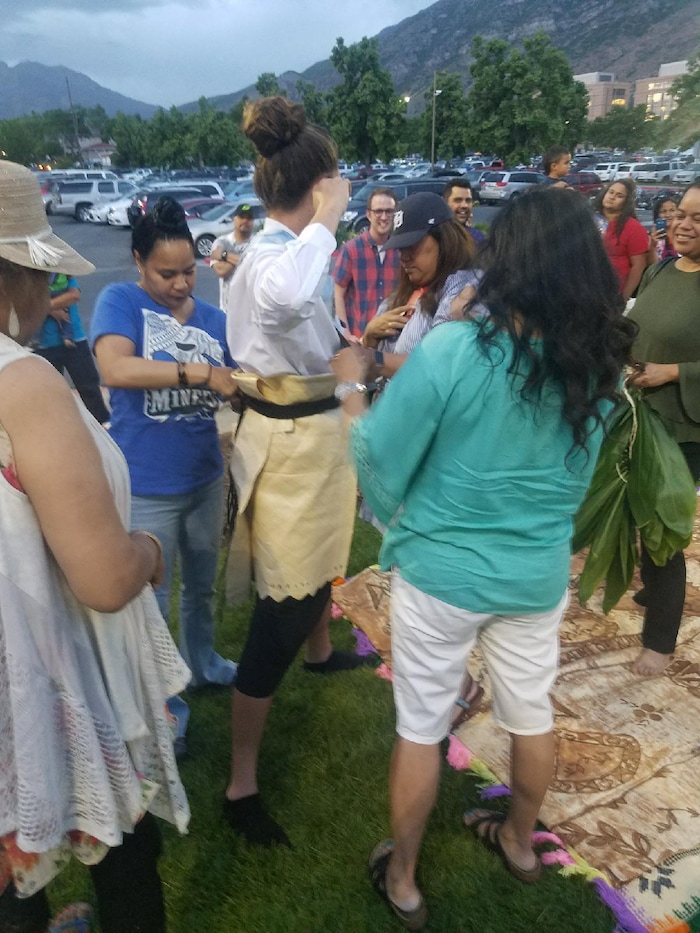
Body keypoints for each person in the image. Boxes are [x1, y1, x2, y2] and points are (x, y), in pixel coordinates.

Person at [332, 187, 635, 928]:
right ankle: (522, 845)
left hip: (442, 576)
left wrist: (349, 388)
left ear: (508, 260)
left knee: (421, 725)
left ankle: (403, 877)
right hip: (534, 575)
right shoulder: (600, 365)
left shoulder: (457, 350)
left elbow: (379, 450)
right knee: (531, 715)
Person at [0, 162, 190, 932]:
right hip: (44, 672)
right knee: (121, 846)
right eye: (40, 275)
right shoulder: (23, 385)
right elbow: (104, 578)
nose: (47, 297)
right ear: (14, 277)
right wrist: (147, 548)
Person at [223, 96, 366, 848]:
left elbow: (312, 326)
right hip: (288, 449)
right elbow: (285, 298)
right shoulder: (275, 257)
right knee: (279, 609)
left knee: (317, 570)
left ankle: (320, 652)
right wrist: (327, 220)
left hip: (312, 439)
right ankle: (240, 780)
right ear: (316, 187)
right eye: (334, 182)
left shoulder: (288, 249)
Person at [91, 196, 239, 758]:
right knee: (150, 603)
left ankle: (202, 663)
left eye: (189, 271)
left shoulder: (214, 319)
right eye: (166, 273)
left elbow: (245, 370)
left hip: (202, 477)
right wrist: (199, 370)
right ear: (138, 261)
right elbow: (115, 367)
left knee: (201, 585)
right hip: (146, 484)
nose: (181, 284)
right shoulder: (121, 301)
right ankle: (165, 703)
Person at [627, 181, 700, 676]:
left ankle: (659, 643)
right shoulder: (658, 269)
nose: (684, 224)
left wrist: (672, 372)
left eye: (697, 218)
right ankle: (655, 588)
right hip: (642, 415)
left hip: (685, 425)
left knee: (664, 531)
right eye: (680, 214)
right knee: (640, 513)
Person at [359, 192, 477, 379]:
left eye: (412, 246)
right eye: (400, 248)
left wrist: (372, 359)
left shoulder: (463, 288)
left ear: (444, 240)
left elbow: (439, 365)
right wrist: (370, 337)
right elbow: (367, 374)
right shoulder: (406, 291)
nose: (404, 257)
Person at [33, 272, 110, 424]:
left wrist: (45, 307)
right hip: (43, 346)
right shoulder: (31, 279)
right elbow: (24, 303)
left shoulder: (65, 275)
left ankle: (104, 426)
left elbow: (73, 296)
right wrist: (54, 308)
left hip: (75, 341)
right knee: (49, 395)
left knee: (89, 388)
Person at [332, 187, 401, 339]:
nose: (384, 217)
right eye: (378, 211)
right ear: (369, 215)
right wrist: (346, 333)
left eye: (389, 211)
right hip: (360, 339)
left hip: (392, 339)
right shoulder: (351, 250)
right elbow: (338, 294)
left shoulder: (401, 250)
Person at [594, 178, 649, 300]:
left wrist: (624, 297)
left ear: (626, 202)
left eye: (619, 196)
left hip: (613, 293)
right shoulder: (588, 219)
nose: (612, 197)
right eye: (611, 192)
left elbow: (638, 266)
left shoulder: (634, 228)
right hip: (586, 289)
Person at [209, 203, 256, 310]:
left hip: (251, 312)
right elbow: (221, 271)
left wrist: (223, 255)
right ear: (234, 219)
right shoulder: (221, 242)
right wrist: (246, 258)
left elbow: (253, 265)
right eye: (242, 217)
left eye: (249, 218)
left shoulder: (258, 242)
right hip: (227, 311)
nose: (245, 221)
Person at [442, 178, 485, 246]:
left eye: (468, 200)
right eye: (458, 200)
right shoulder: (437, 238)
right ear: (445, 203)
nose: (464, 205)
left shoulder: (477, 238)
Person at [646, 194, 678, 264]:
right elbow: (653, 265)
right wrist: (653, 246)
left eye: (672, 210)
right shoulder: (651, 237)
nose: (668, 215)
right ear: (657, 215)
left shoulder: (684, 234)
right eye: (663, 211)